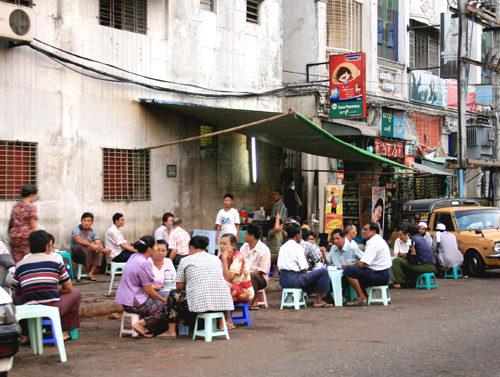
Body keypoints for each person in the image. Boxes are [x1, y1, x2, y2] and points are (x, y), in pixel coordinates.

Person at [12, 230, 82, 343]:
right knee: (75, 293)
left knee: (14, 298)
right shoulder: (56, 262)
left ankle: (26, 333)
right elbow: (68, 288)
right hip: (52, 307)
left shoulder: (20, 264)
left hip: (28, 308)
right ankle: (63, 331)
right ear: (47, 247)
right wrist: (53, 291)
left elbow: (17, 291)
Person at [159, 236, 234, 338]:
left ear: (190, 247)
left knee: (173, 294)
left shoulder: (185, 260)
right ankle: (220, 324)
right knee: (216, 291)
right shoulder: (216, 259)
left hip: (199, 303)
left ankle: (171, 331)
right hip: (222, 302)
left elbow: (180, 286)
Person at [115, 236, 169, 338]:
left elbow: (136, 280)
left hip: (125, 299)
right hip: (134, 302)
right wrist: (163, 299)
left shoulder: (134, 257)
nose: (157, 249)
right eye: (155, 246)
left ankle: (144, 325)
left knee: (159, 305)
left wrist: (153, 286)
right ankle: (141, 324)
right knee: (167, 308)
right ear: (149, 249)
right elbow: (149, 291)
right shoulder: (143, 263)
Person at [278, 224, 332, 307]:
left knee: (313, 276)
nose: (301, 237)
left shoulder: (283, 247)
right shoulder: (297, 247)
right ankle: (318, 301)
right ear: (297, 235)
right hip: (294, 280)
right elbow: (304, 269)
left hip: (283, 280)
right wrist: (309, 278)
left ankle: (315, 298)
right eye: (300, 234)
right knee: (323, 272)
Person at [343, 223, 392, 306]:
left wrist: (350, 264)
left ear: (373, 231)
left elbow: (362, 264)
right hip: (382, 273)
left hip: (380, 275)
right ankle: (364, 295)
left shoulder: (374, 242)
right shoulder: (377, 240)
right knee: (356, 270)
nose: (363, 232)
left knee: (349, 270)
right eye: (363, 229)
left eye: (366, 230)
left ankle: (362, 297)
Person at [219, 233, 254, 329]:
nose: (222, 246)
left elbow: (228, 278)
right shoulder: (220, 256)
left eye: (225, 244)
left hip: (245, 291)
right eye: (221, 243)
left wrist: (225, 260)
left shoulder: (238, 257)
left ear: (233, 245)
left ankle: (229, 319)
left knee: (225, 285)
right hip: (231, 288)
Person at [71, 212, 110, 281]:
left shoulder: (93, 232)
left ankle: (90, 273)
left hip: (88, 254)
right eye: (84, 220)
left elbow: (98, 242)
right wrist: (92, 245)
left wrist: (100, 248)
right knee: (80, 246)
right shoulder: (76, 229)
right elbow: (78, 239)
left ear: (91, 222)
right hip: (77, 255)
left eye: (88, 221)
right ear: (81, 221)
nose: (86, 223)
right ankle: (88, 267)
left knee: (99, 252)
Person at [240, 224, 271, 310]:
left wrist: (247, 275)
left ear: (252, 236)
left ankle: (255, 300)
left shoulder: (264, 249)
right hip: (244, 275)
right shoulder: (244, 247)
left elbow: (262, 270)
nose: (244, 235)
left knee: (251, 276)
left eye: (246, 234)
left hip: (260, 278)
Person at [8, 185, 38, 263]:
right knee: (27, 260)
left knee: (17, 261)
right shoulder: (31, 207)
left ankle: (17, 274)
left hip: (14, 237)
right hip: (26, 238)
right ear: (31, 195)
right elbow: (34, 226)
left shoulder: (16, 205)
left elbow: (12, 222)